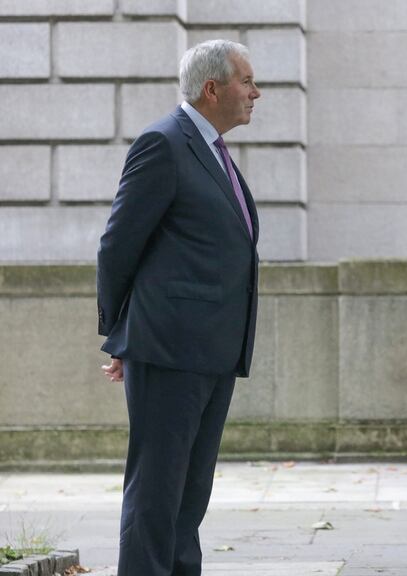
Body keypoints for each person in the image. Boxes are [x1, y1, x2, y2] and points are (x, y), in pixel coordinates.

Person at [96, 39, 261, 576]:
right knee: (157, 492)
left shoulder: (213, 150)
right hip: (169, 350)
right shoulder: (163, 143)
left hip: (212, 351)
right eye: (246, 82)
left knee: (190, 495)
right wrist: (122, 336)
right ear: (212, 89)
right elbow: (118, 246)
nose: (255, 93)